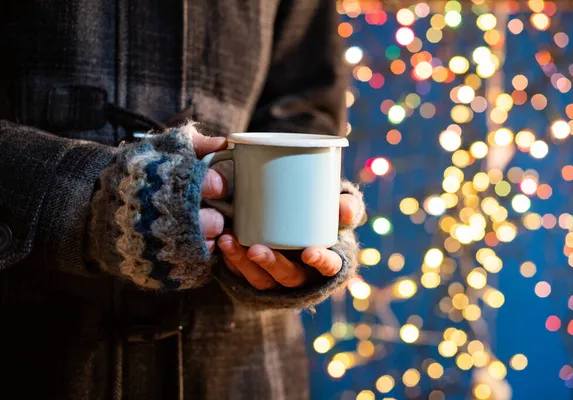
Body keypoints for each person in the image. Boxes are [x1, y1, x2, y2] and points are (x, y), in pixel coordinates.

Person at [0, 1, 365, 399]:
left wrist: (303, 224)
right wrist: (86, 200)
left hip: (243, 367)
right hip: (33, 351)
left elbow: (303, 109)